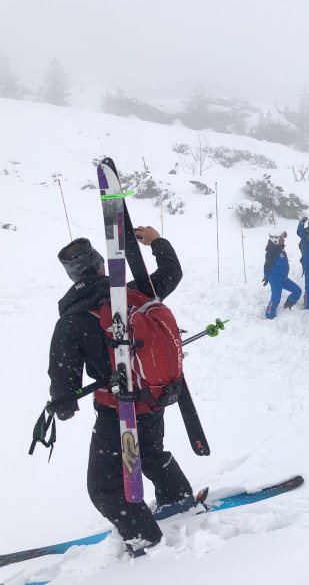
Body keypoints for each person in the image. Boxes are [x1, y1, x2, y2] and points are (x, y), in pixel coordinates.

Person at [48, 229, 194, 556]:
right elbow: (172, 272)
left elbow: (63, 380)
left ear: (73, 278)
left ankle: (145, 538)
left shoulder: (72, 320)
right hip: (153, 398)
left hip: (116, 412)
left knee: (104, 487)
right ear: (102, 266)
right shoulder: (134, 293)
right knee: (150, 454)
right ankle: (177, 499)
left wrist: (63, 405)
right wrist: (157, 241)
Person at [263, 230, 301, 319]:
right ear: (275, 240)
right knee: (276, 298)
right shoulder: (271, 251)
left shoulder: (280, 249)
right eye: (281, 239)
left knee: (297, 290)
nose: (284, 240)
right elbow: (267, 265)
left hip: (283, 278)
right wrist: (266, 277)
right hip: (275, 279)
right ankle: (269, 314)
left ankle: (288, 304)